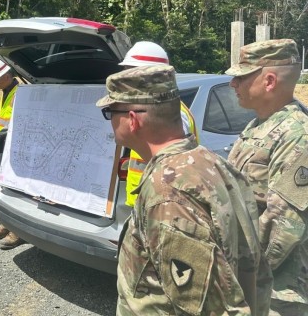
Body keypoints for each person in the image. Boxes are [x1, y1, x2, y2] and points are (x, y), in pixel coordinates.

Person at [97, 64, 272, 315]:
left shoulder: (167, 195)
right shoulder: (209, 161)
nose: (110, 121)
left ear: (132, 120)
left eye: (110, 112)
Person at [226, 38, 308, 315]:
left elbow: (283, 225)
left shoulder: (299, 135)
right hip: (253, 284)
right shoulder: (261, 124)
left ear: (269, 80)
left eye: (240, 77)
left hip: (277, 294)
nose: (232, 84)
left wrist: (235, 276)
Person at [119, 41, 199, 207]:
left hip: (159, 203)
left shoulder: (174, 114)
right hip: (144, 200)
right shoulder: (145, 110)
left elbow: (175, 167)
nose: (125, 79)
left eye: (130, 73)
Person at [0, 59, 23, 249]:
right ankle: (6, 223)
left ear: (7, 76)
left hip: (14, 150)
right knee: (2, 188)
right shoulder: (6, 92)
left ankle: (17, 231)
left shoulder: (20, 94)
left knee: (14, 189)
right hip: (3, 147)